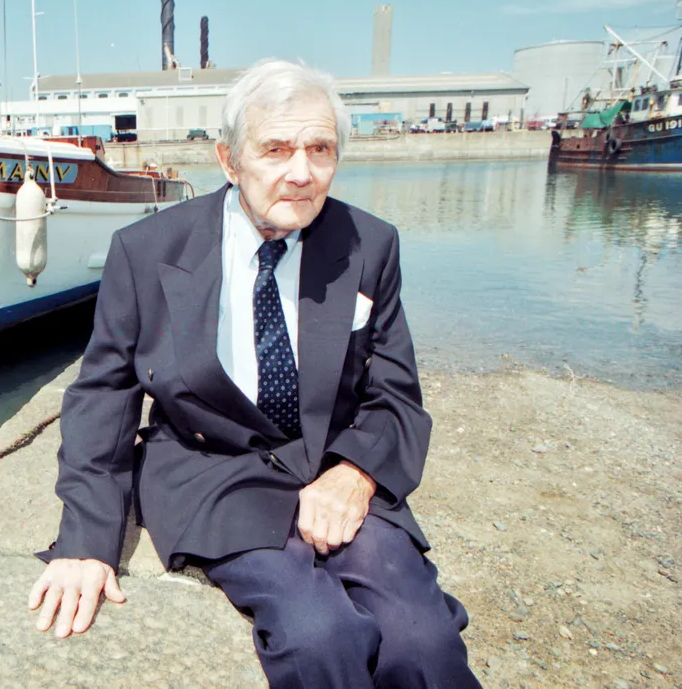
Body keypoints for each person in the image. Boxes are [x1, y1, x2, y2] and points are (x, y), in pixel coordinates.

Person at [28, 59, 481, 688]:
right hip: (211, 473)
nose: (301, 173)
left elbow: (396, 392)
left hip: (329, 465)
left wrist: (356, 474)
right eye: (276, 149)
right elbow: (104, 395)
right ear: (228, 159)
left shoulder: (369, 245)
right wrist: (84, 541)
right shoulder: (148, 251)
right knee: (319, 634)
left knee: (421, 636)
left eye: (320, 149)